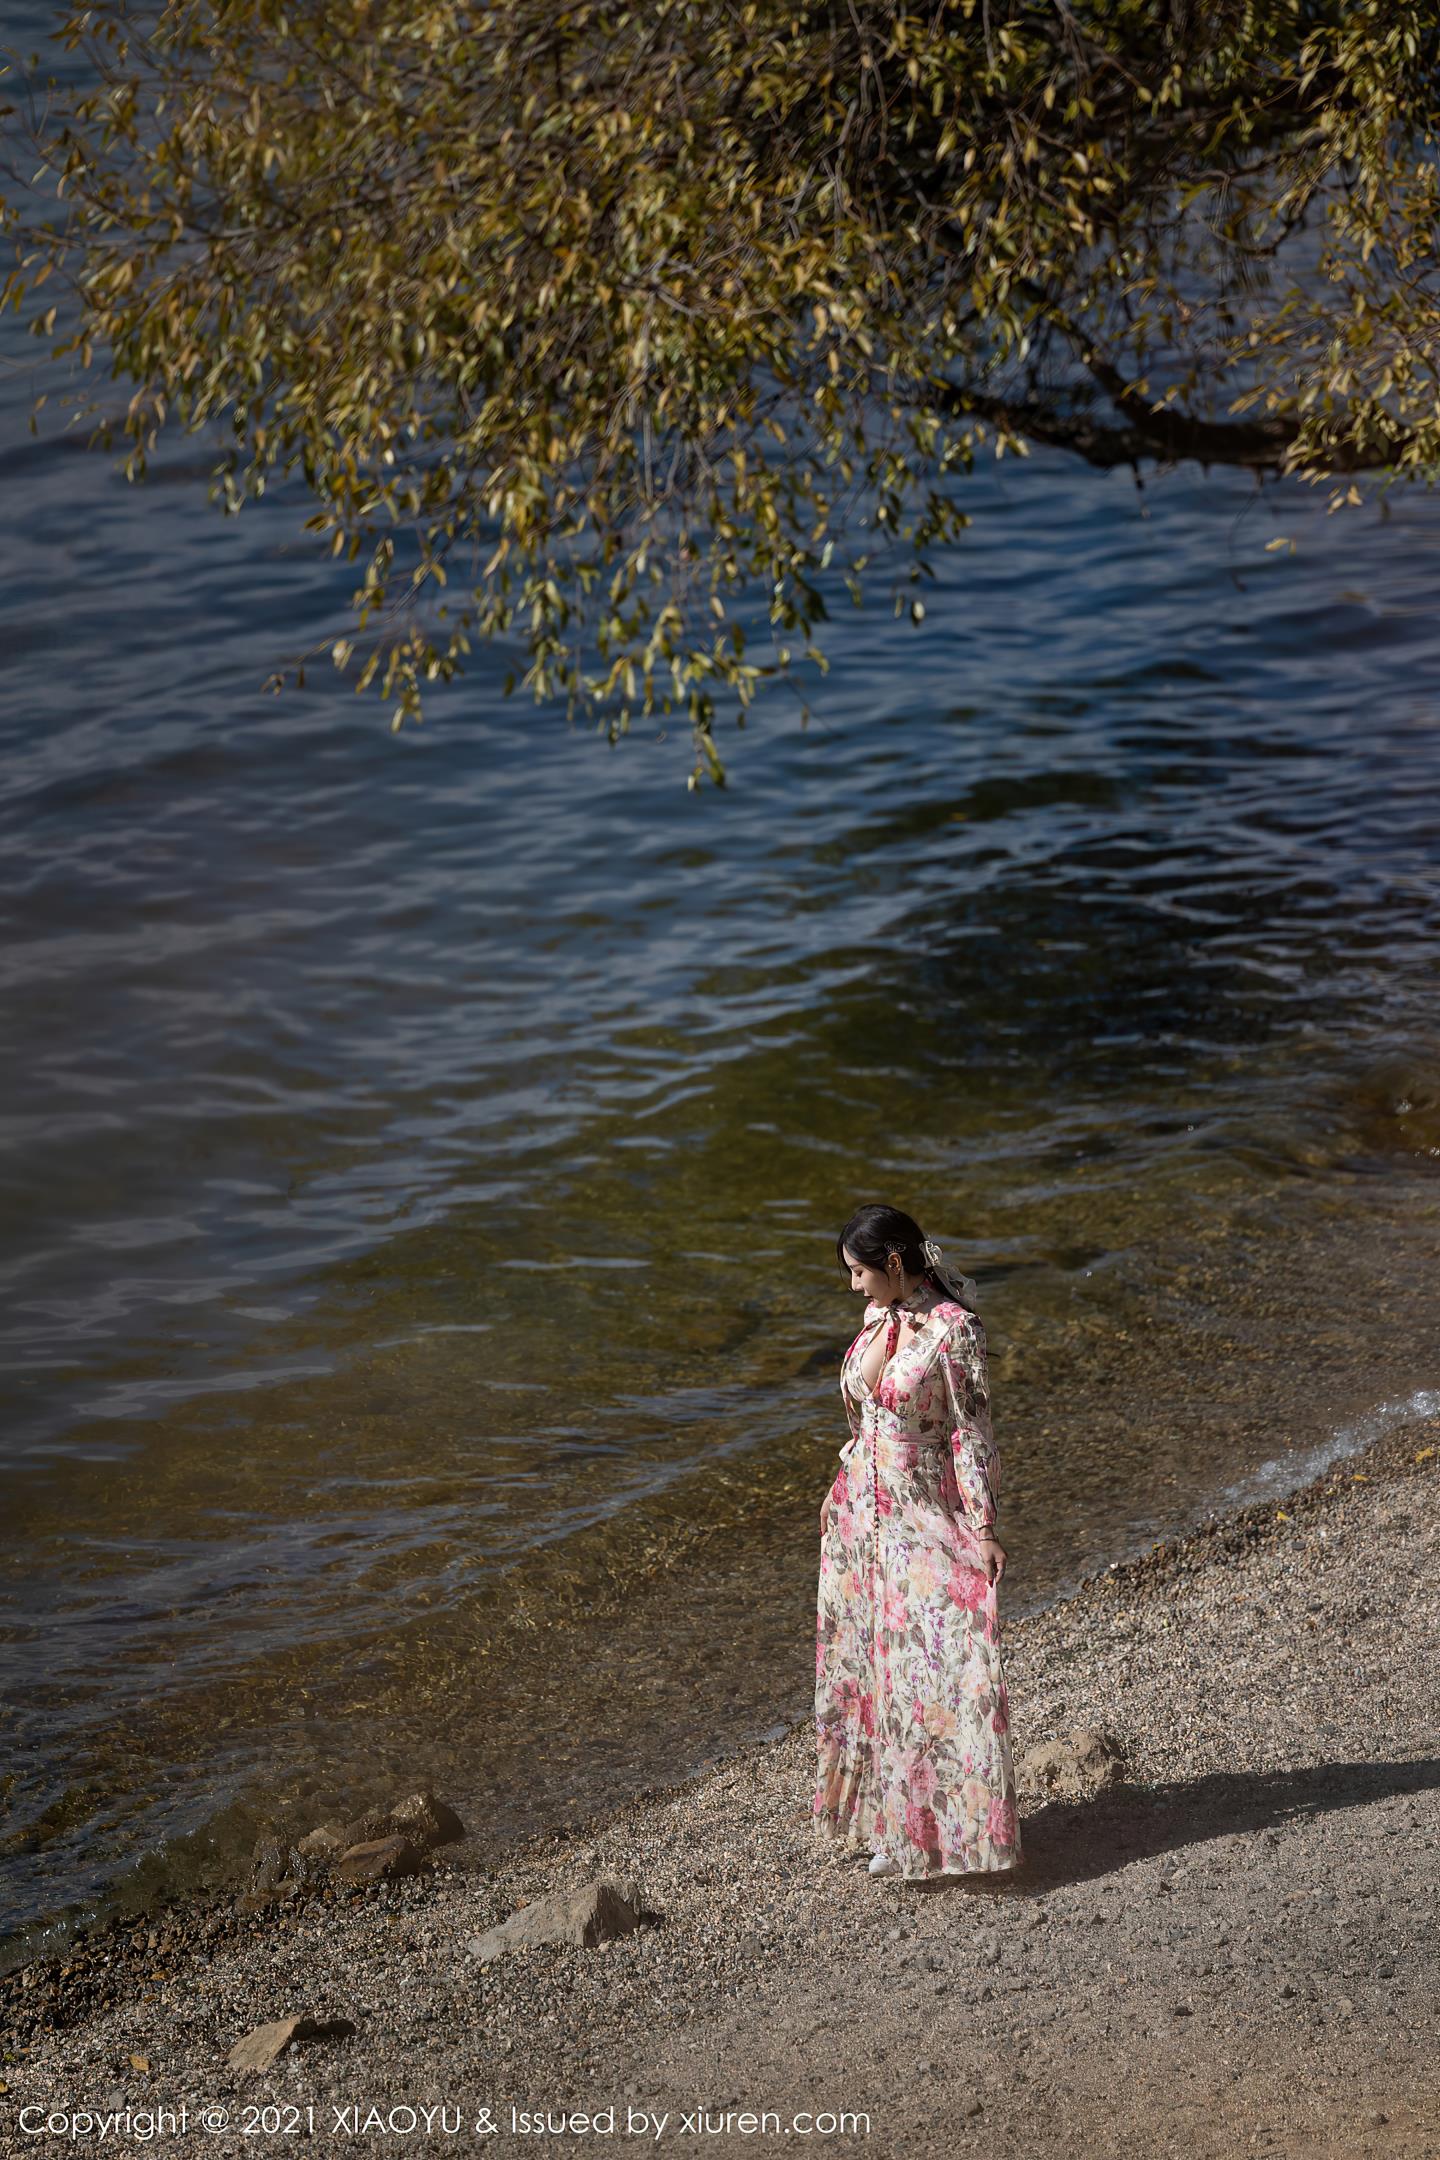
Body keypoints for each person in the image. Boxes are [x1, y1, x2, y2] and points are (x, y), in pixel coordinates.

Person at [813, 1203, 1023, 1882]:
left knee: (928, 1668)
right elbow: (864, 1416)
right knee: (870, 1670)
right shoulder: (878, 1316)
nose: (854, 1285)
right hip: (859, 1518)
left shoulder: (955, 1330)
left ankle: (936, 1829)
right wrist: (839, 1483)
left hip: (921, 1515)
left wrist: (984, 1527)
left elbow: (971, 1432)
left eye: (859, 1271)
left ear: (895, 1262)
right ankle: (887, 1822)